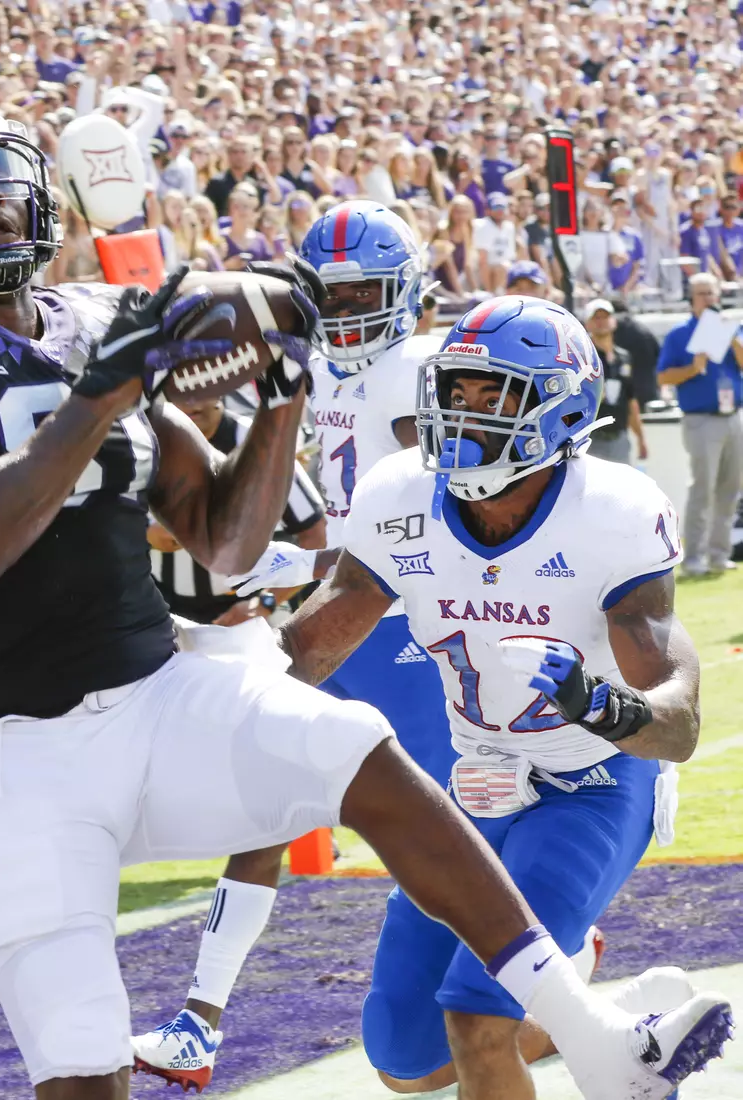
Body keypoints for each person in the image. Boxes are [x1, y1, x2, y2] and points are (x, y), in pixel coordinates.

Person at [0, 102, 730, 1100]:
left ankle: (594, 1041)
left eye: (4, 186)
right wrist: (103, 391)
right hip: (13, 742)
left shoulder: (90, 320)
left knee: (361, 750)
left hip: (152, 689)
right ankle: (199, 1016)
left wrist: (282, 388)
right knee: (79, 1066)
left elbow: (218, 533)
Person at [137, 294, 728, 1100]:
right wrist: (206, 695)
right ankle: (620, 1032)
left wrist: (597, 703)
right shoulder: (399, 494)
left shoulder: (614, 514)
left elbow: (678, 723)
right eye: (456, 391)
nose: (465, 413)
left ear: (564, 408)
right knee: (404, 1061)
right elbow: (314, 642)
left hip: (588, 783)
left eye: (496, 396)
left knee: (476, 1023)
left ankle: (585, 1031)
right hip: (472, 781)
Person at [130, 203, 527, 1085]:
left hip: (401, 633)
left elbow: (444, 500)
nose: (346, 312)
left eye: (362, 293)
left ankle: (553, 974)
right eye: (330, 294)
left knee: (459, 829)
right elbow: (353, 514)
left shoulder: (416, 368)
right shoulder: (318, 375)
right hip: (341, 616)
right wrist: (301, 555)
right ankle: (200, 1016)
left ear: (404, 291)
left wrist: (334, 560)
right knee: (261, 803)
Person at [148, 390, 325, 626]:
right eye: (178, 387)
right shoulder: (145, 437)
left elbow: (315, 533)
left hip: (243, 606)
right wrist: (145, 529)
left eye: (198, 387)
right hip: (164, 605)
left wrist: (265, 603)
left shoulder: (258, 439)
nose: (190, 400)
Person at [657, 273, 743, 576]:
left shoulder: (731, 328)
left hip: (733, 416)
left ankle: (720, 554)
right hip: (701, 419)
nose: (708, 298)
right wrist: (692, 369)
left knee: (730, 488)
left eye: (712, 293)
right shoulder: (679, 335)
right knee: (702, 490)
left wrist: (732, 338)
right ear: (692, 298)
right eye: (702, 293)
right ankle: (693, 558)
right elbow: (663, 377)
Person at [584, 298, 649, 466]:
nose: (601, 322)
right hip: (591, 438)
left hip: (619, 436)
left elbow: (630, 399)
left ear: (614, 321)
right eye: (595, 317)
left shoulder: (624, 357)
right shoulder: (583, 357)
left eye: (605, 316)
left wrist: (640, 437)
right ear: (587, 324)